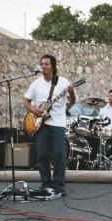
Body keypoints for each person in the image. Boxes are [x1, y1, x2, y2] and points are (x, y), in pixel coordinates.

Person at [24, 54, 76, 195]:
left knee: (60, 154)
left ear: (52, 66)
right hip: (40, 124)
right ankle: (46, 183)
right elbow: (26, 101)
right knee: (42, 154)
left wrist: (71, 92)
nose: (43, 66)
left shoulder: (63, 82)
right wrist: (33, 110)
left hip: (58, 123)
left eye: (46, 64)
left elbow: (72, 101)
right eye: (42, 64)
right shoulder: (36, 84)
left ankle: (58, 184)